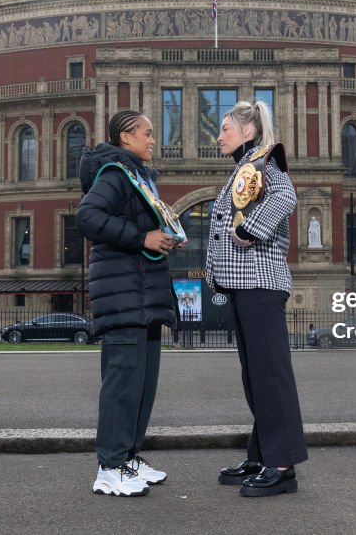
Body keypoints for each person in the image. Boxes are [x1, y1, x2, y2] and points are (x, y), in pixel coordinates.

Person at [205, 99, 307, 498]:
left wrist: (251, 232)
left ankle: (282, 466)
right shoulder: (246, 168)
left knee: (271, 375)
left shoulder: (267, 161)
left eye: (225, 128)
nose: (219, 136)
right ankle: (263, 453)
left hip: (260, 283)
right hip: (244, 284)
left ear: (248, 131)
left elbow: (285, 197)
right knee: (256, 376)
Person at [77, 110, 181, 497]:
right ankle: (109, 465)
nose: (153, 140)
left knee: (143, 384)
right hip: (123, 295)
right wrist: (143, 238)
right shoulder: (115, 175)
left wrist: (164, 236)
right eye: (147, 133)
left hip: (141, 293)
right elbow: (88, 217)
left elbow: (143, 228)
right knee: (123, 383)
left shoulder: (138, 178)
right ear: (125, 137)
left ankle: (128, 456)